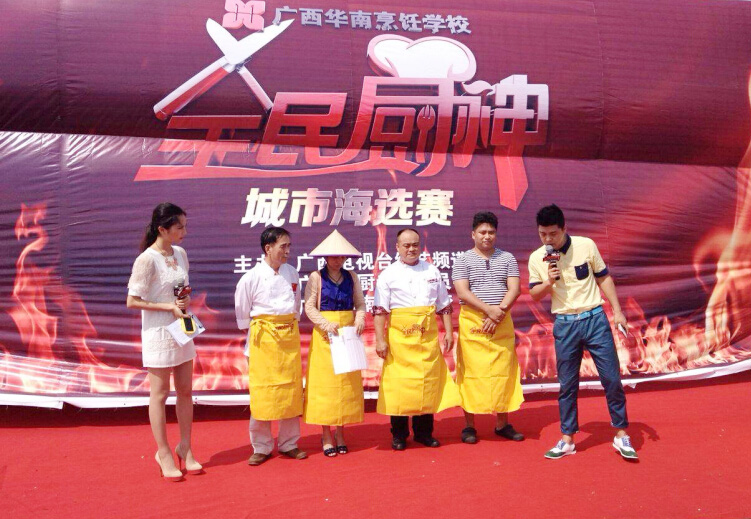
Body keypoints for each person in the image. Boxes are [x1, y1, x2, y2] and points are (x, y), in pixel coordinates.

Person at [528, 204, 637, 460]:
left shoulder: (586, 245)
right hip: (565, 324)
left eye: (553, 234)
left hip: (594, 319)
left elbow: (603, 278)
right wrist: (549, 280)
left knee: (611, 379)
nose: (547, 239)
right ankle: (567, 438)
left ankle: (621, 433)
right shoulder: (537, 257)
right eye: (542, 234)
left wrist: (618, 311)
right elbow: (534, 294)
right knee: (567, 384)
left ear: (564, 228)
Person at [126, 202, 203, 481]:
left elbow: (180, 289)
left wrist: (182, 301)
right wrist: (168, 307)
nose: (184, 232)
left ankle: (186, 447)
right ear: (162, 229)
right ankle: (164, 452)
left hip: (181, 328)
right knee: (159, 394)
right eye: (179, 227)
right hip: (158, 332)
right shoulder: (146, 259)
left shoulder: (180, 253)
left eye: (185, 226)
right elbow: (132, 300)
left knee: (185, 391)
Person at [373, 228, 462, 450]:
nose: (411, 249)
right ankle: (399, 434)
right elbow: (380, 310)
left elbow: (444, 305)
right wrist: (380, 340)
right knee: (400, 385)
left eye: (415, 244)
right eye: (406, 245)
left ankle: (424, 433)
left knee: (427, 382)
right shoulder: (388, 274)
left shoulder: (432, 270)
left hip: (426, 338)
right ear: (397, 247)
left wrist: (449, 332)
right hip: (399, 340)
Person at [235, 226, 307, 466]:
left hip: (288, 338)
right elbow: (243, 314)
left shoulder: (292, 273)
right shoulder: (251, 277)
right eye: (283, 246)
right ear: (268, 248)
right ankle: (261, 446)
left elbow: (296, 306)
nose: (288, 251)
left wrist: (286, 327)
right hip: (263, 340)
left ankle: (289, 443)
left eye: (289, 246)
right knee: (262, 392)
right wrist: (263, 330)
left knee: (290, 390)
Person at [452, 211, 524, 444]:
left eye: (491, 232)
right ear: (473, 234)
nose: (487, 236)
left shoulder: (507, 258)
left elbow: (514, 289)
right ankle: (469, 426)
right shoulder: (463, 260)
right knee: (471, 373)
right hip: (473, 321)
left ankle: (502, 423)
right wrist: (488, 310)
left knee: (504, 371)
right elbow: (463, 292)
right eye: (482, 232)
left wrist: (498, 312)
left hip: (501, 319)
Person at [303, 230, 366, 457]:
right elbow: (309, 306)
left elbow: (360, 303)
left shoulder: (352, 276)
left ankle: (340, 432)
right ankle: (326, 434)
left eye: (341, 256)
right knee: (325, 386)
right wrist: (325, 324)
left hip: (347, 335)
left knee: (346, 384)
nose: (338, 260)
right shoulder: (316, 278)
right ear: (326, 257)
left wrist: (359, 319)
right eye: (334, 256)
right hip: (325, 336)